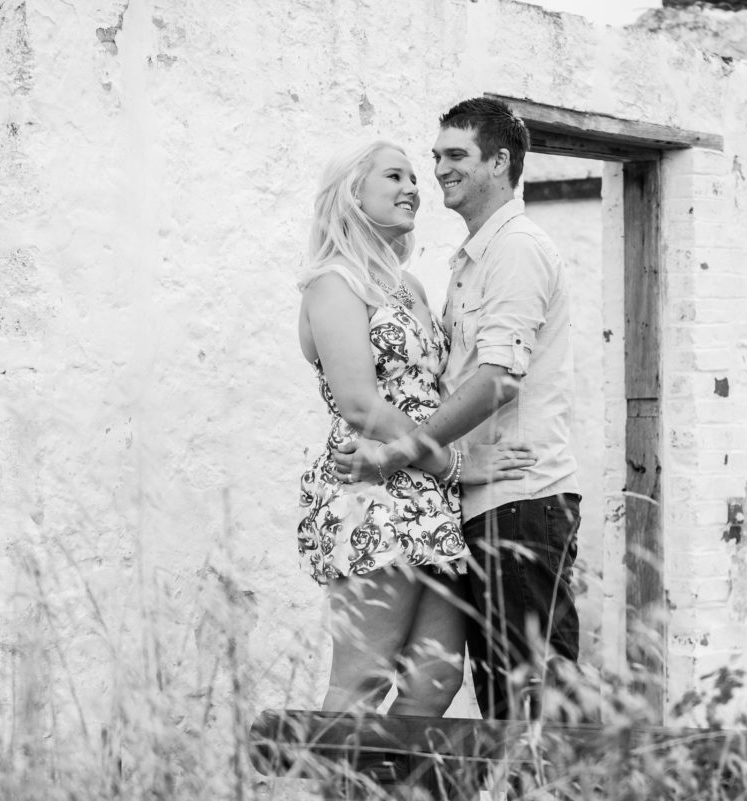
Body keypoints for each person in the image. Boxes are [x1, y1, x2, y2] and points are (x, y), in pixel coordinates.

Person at [332, 98, 582, 722]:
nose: (434, 171)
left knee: (533, 696)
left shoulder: (516, 249)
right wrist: (450, 466)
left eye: (454, 157)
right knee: (498, 692)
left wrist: (403, 453)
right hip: (459, 500)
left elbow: (497, 381)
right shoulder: (463, 263)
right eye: (432, 157)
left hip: (519, 498)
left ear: (500, 163)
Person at [297, 139, 532, 718]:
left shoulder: (412, 287)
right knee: (364, 678)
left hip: (430, 494)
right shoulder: (333, 282)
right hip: (372, 489)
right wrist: (451, 462)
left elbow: (438, 387)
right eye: (394, 177)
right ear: (352, 194)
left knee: (435, 680)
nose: (413, 188)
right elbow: (361, 406)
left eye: (413, 178)